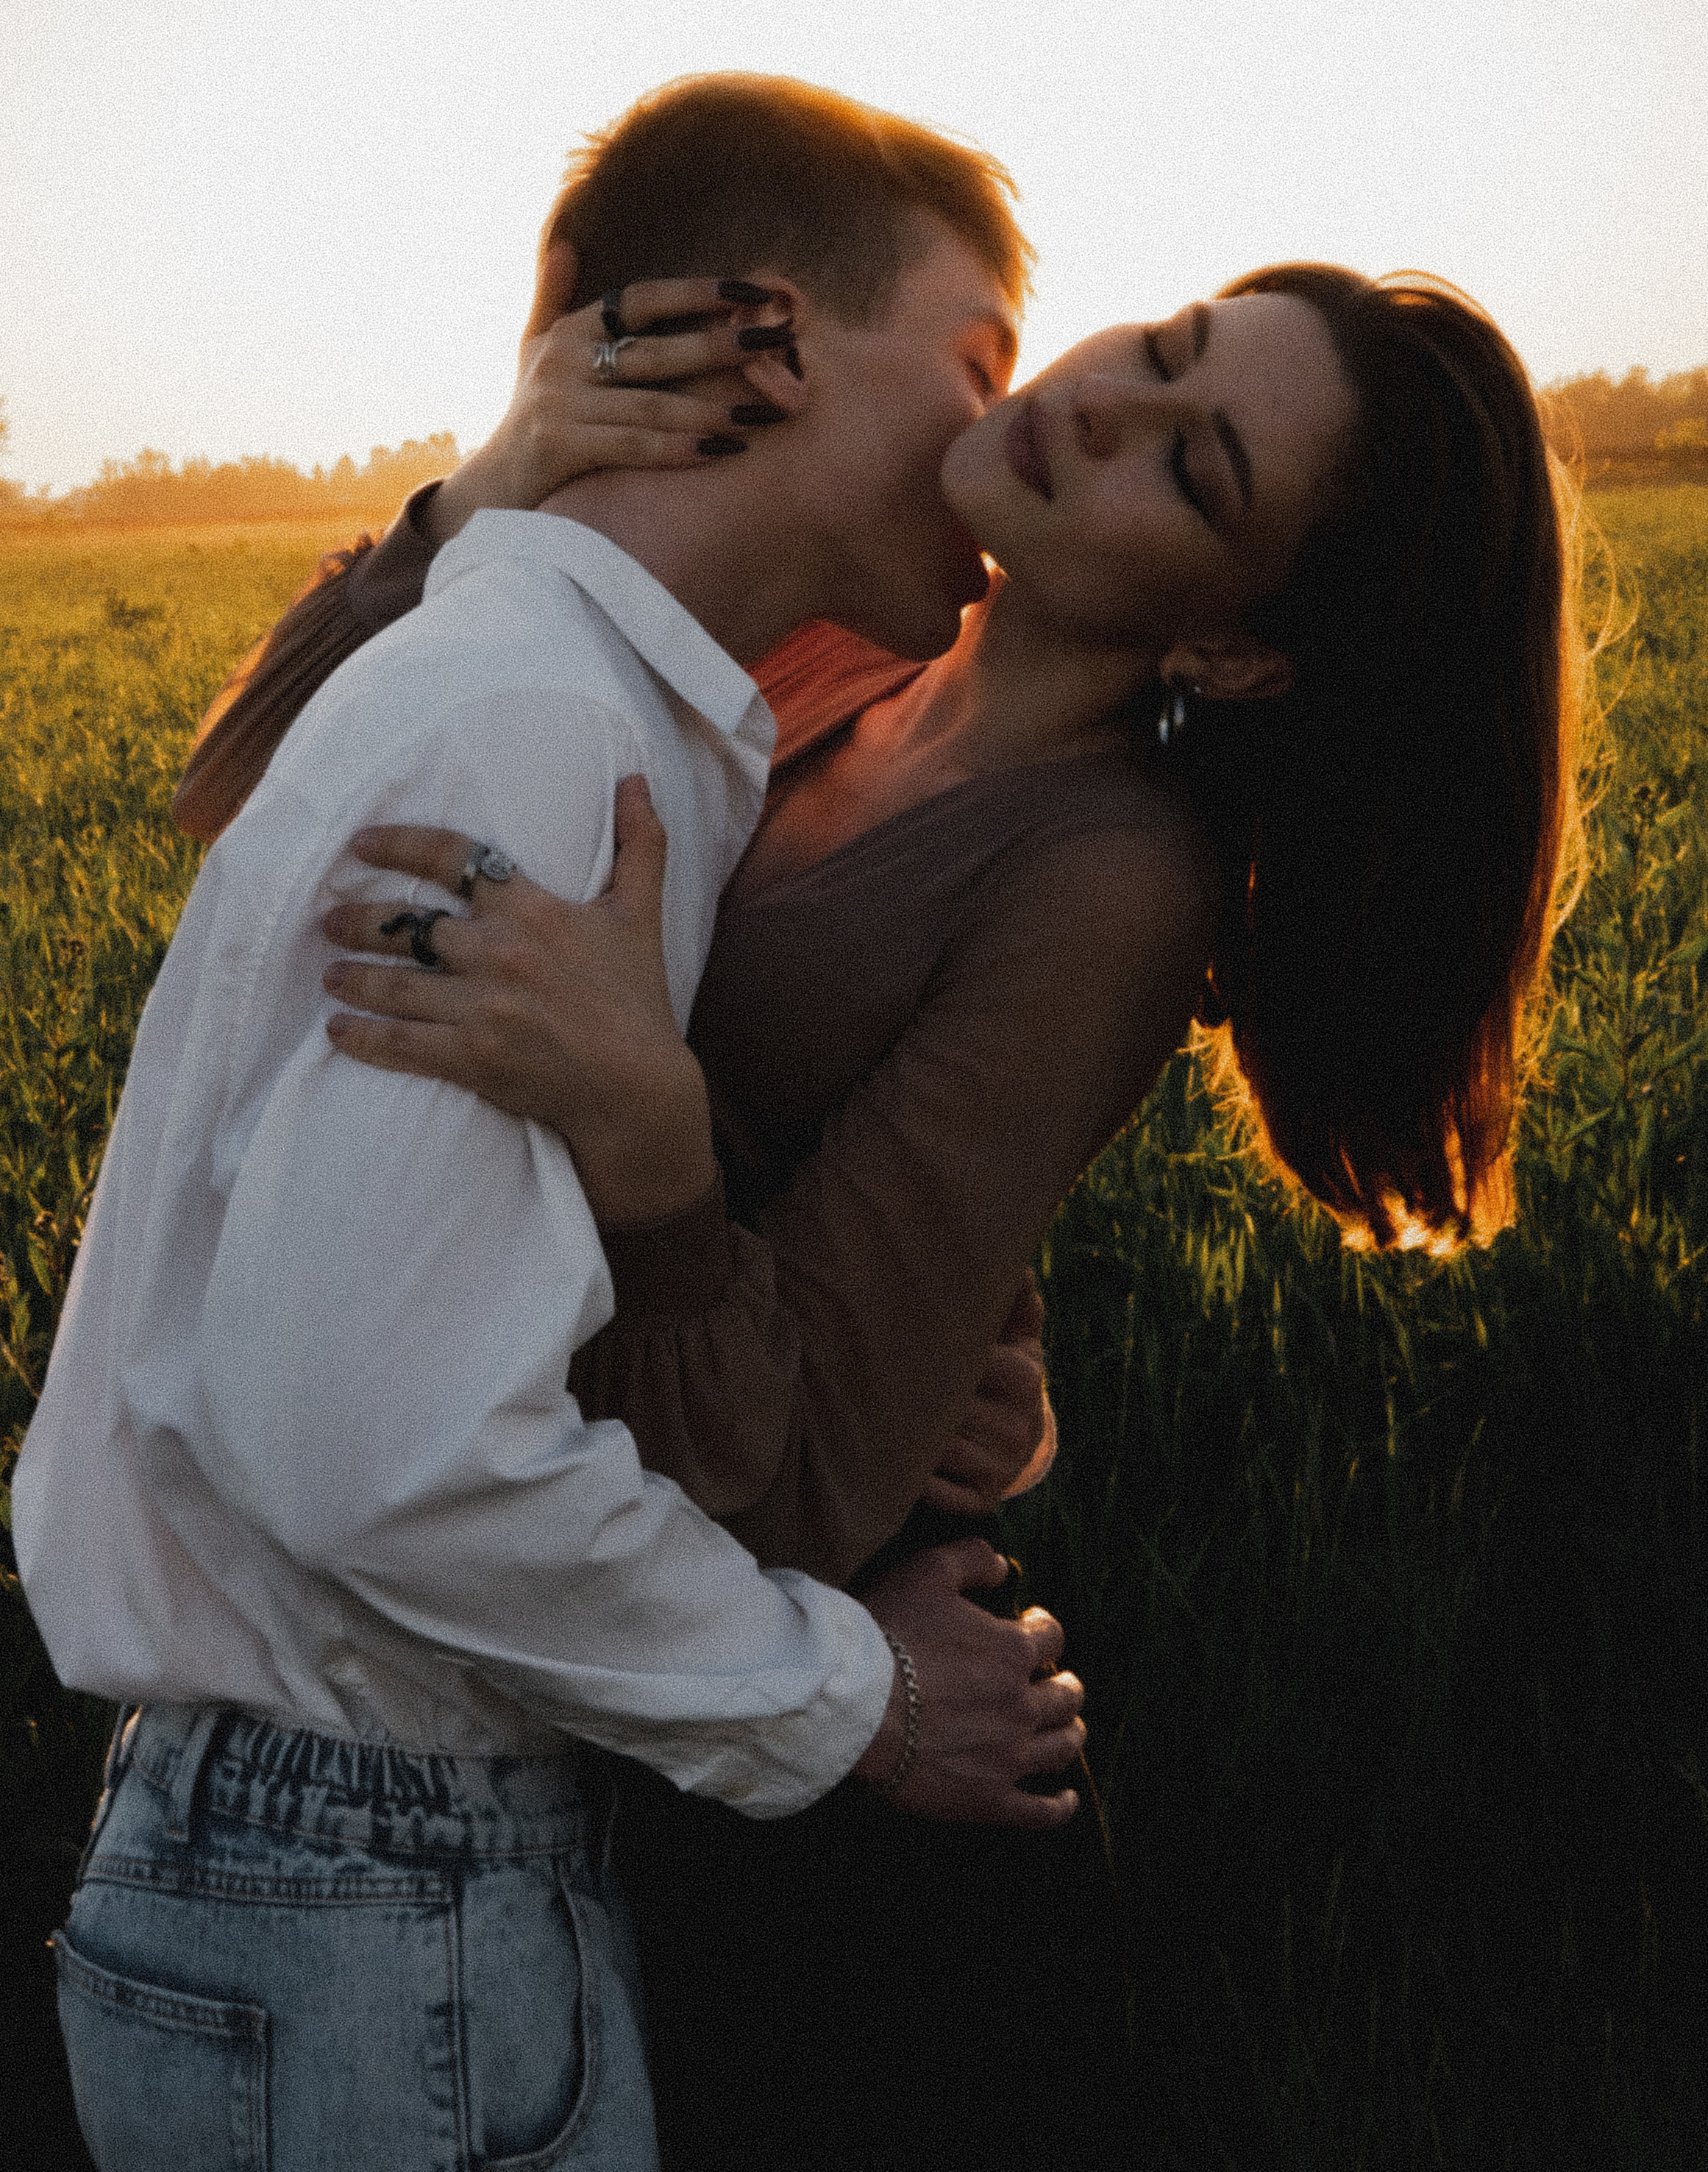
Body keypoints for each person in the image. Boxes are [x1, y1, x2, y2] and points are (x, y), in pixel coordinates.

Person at [180, 241, 1579, 2168]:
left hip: (822, 1812)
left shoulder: (1113, 880)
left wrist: (657, 1145)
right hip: (603, 1678)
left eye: (1192, 470)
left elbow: (801, 1469)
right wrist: (479, 496)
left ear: (1235, 650)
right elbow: (260, 823)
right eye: (1165, 350)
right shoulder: (820, 665)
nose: (1104, 405)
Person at [10, 74, 1100, 2172]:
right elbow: (373, 1445)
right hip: (372, 1893)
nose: (992, 449)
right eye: (970, 367)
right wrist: (848, 1696)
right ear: (765, 348)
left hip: (382, 1876)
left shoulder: (619, 711)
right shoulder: (537, 727)